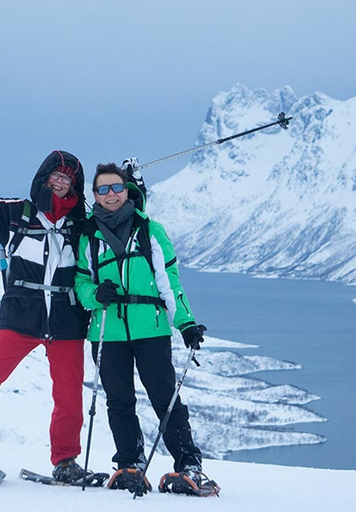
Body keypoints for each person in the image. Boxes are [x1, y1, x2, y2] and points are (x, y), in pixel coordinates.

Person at [0, 126, 93, 484]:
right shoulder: (15, 215)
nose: (60, 183)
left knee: (68, 394)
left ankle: (66, 462)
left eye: (67, 179)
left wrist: (134, 187)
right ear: (43, 178)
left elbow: (125, 215)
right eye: (55, 176)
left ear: (75, 186)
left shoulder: (84, 226)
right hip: (21, 318)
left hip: (67, 320)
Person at [74, 161, 219, 497]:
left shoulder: (150, 230)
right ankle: (129, 463)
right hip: (107, 331)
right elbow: (81, 282)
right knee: (119, 400)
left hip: (150, 328)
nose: (110, 195)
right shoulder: (88, 237)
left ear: (127, 191)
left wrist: (184, 322)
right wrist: (95, 294)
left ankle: (189, 465)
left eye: (116, 188)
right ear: (94, 195)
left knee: (164, 397)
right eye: (103, 189)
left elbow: (169, 281)